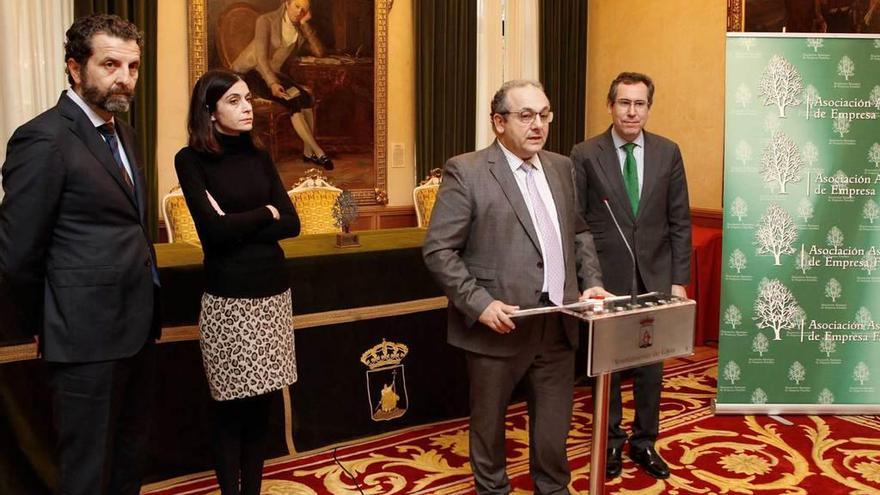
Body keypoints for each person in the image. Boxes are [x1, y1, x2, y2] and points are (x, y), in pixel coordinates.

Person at [423, 80, 610, 495]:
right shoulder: (467, 170)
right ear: (498, 122)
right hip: (498, 326)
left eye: (544, 114)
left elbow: (578, 233)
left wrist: (591, 283)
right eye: (526, 116)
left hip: (558, 324)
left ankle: (553, 488)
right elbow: (439, 251)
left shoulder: (562, 167)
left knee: (553, 430)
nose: (538, 124)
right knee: (489, 430)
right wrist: (481, 304)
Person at [0, 14, 159, 495]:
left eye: (132, 67)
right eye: (110, 64)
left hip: (136, 327)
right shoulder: (43, 138)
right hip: (82, 335)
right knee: (87, 472)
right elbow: (16, 255)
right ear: (74, 68)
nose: (124, 79)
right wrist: (50, 320)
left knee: (129, 463)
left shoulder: (125, 135)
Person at [175, 68, 301, 495]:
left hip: (272, 297)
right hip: (229, 302)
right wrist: (264, 214)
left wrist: (243, 220)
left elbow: (292, 223)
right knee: (230, 413)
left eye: (248, 98)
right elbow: (213, 233)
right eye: (233, 100)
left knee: (261, 412)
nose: (247, 107)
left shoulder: (259, 155)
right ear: (209, 112)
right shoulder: (189, 160)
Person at [570, 72, 692, 481]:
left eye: (640, 104)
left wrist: (678, 279)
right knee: (607, 367)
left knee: (651, 367)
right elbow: (578, 222)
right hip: (606, 277)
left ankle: (644, 443)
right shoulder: (585, 154)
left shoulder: (668, 152)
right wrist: (586, 279)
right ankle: (610, 444)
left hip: (656, 277)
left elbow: (679, 221)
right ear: (611, 105)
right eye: (624, 102)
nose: (632, 111)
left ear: (648, 108)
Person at [232, 0, 333, 169]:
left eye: (304, 10)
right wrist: (272, 83)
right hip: (251, 73)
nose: (299, 12)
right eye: (297, 6)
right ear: (287, 3)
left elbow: (319, 52)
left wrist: (305, 25)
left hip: (274, 73)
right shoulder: (266, 21)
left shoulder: (300, 27)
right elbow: (261, 58)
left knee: (306, 98)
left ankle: (308, 153)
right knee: (292, 100)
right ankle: (319, 152)